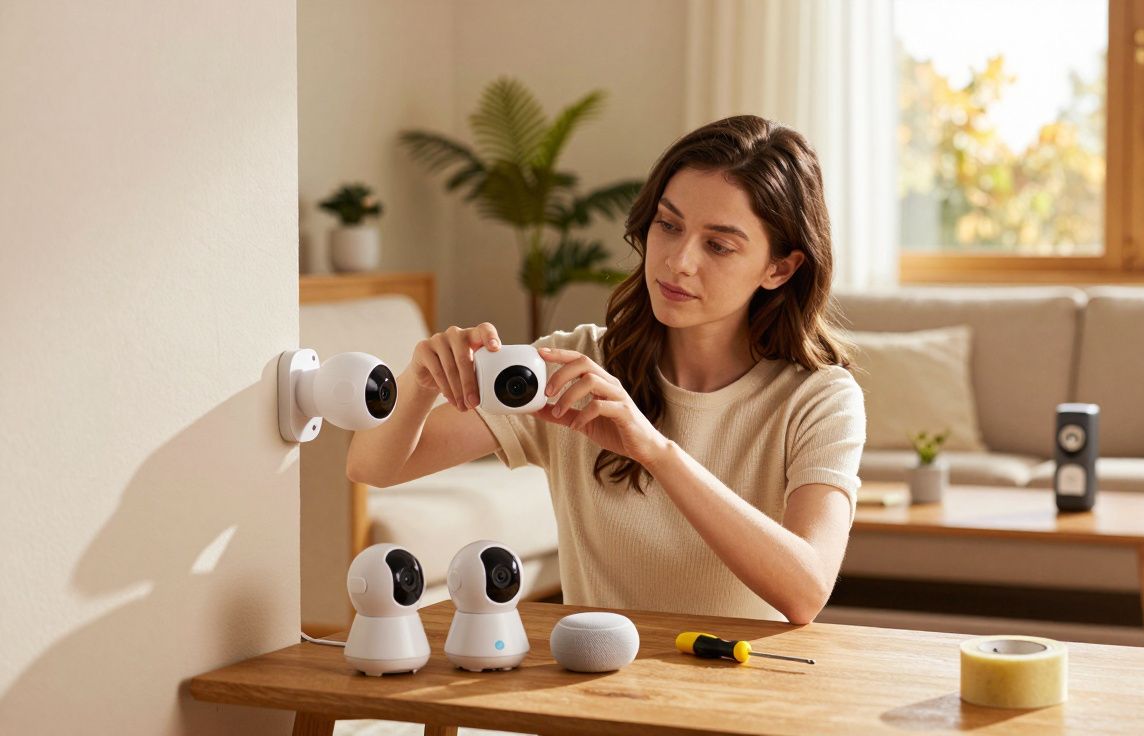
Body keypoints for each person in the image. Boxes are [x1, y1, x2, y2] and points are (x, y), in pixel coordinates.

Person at [347, 114, 865, 624]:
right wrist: (418, 383)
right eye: (668, 224)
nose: (678, 260)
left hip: (737, 691)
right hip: (592, 682)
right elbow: (373, 469)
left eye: (718, 245)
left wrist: (657, 452)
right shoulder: (572, 367)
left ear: (780, 268)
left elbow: (806, 591)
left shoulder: (819, 399)